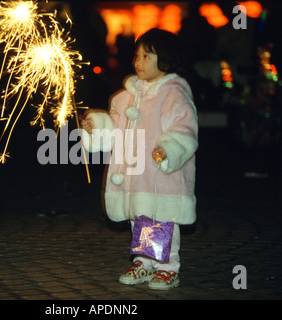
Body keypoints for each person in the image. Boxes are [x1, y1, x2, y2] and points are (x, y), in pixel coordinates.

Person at [81, 28, 198, 290]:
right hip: (135, 174)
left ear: (166, 60)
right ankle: (144, 261)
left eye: (147, 56)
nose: (138, 62)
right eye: (137, 56)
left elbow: (184, 129)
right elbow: (114, 128)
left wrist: (168, 149)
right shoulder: (124, 98)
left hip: (161, 172)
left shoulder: (173, 95)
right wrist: (97, 126)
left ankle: (168, 266)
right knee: (141, 215)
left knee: (162, 215)